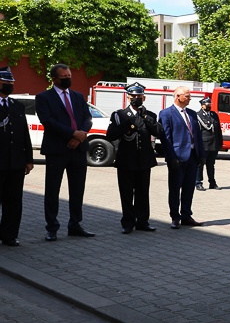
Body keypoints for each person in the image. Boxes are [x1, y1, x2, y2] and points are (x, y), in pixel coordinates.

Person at [35, 63, 94, 241]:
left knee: (77, 190)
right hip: (57, 150)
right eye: (64, 76)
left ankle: (75, 225)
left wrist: (80, 136)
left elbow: (87, 118)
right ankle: (52, 227)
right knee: (53, 190)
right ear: (54, 78)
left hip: (78, 149)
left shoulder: (77, 96)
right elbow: (48, 121)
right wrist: (71, 133)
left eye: (69, 75)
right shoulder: (44, 97)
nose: (68, 78)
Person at [106, 82, 163, 234]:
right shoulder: (119, 115)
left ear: (144, 98)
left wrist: (145, 117)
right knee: (126, 193)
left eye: (139, 96)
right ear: (128, 97)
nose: (137, 98)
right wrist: (126, 125)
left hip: (144, 160)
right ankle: (128, 222)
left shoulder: (150, 115)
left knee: (143, 192)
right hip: (126, 160)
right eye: (134, 96)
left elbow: (158, 131)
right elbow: (111, 135)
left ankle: (143, 221)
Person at [159, 86, 204, 229]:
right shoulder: (166, 114)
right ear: (178, 96)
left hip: (192, 157)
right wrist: (171, 157)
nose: (189, 98)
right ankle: (175, 217)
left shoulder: (192, 113)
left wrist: (201, 155)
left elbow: (197, 135)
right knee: (174, 188)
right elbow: (165, 137)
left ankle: (186, 215)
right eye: (187, 96)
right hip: (177, 157)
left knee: (189, 188)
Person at [0, 67, 34, 246]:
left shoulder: (17, 106)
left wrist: (29, 159)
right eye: (6, 83)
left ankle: (9, 235)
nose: (10, 86)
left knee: (13, 202)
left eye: (11, 83)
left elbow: (24, 134)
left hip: (15, 163)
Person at [195, 97, 223, 191]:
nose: (209, 106)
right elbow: (197, 132)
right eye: (207, 104)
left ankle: (212, 182)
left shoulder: (214, 115)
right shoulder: (198, 115)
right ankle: (198, 182)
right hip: (204, 144)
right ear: (202, 105)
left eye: (210, 104)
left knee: (211, 165)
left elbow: (218, 130)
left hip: (213, 144)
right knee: (200, 164)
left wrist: (220, 143)